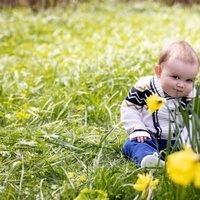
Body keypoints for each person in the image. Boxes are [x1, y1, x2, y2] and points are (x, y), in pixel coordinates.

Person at [121, 40, 199, 168]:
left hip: (178, 142)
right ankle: (149, 160)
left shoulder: (191, 95)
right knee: (132, 144)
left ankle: (182, 162)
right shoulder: (144, 87)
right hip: (149, 137)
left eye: (189, 80)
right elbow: (130, 109)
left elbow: (192, 120)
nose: (181, 84)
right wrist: (137, 129)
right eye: (175, 77)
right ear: (158, 71)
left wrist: (189, 144)